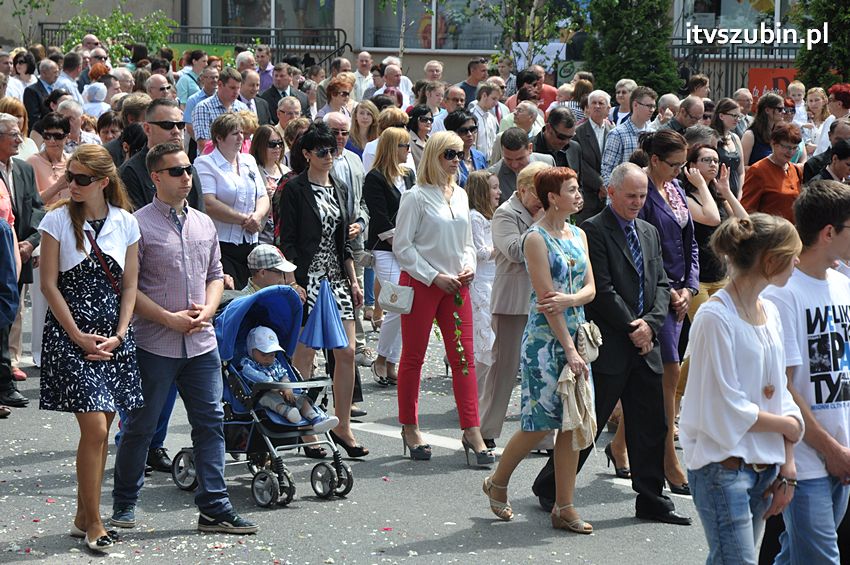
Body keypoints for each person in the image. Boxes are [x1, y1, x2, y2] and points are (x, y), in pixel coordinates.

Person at [533, 162, 692, 526]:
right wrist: (633, 327)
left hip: (645, 343)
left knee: (651, 424)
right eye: (631, 196)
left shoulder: (648, 231)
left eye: (642, 196)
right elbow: (601, 289)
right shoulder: (593, 229)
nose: (637, 202)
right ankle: (551, 486)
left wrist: (650, 325)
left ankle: (652, 498)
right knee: (590, 423)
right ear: (611, 192)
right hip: (611, 343)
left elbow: (661, 283)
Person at [111, 142, 258, 535]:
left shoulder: (204, 223)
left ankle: (215, 508)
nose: (186, 177)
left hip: (201, 343)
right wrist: (167, 319)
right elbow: (128, 287)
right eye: (176, 171)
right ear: (155, 177)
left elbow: (215, 274)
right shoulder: (137, 224)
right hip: (154, 343)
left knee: (210, 423)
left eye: (188, 169)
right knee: (140, 426)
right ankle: (124, 503)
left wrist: (209, 310)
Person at [679, 211, 808, 563]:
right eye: (792, 255)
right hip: (723, 468)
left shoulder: (771, 312)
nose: (797, 262)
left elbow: (780, 392)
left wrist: (788, 465)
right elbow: (723, 405)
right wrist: (788, 426)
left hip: (764, 467)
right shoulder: (714, 318)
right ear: (770, 261)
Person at [38, 144, 144, 551]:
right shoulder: (56, 220)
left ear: (103, 182)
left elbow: (130, 285)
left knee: (103, 430)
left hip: (114, 337)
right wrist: (78, 335)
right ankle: (95, 523)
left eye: (81, 178)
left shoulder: (126, 222)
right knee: (96, 428)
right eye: (70, 177)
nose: (72, 184)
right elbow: (49, 285)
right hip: (71, 335)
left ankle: (84, 515)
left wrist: (121, 333)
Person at [484, 166, 595, 533]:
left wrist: (571, 300)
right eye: (571, 190)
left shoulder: (578, 233)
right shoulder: (535, 238)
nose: (578, 195)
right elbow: (547, 302)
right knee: (540, 422)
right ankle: (498, 481)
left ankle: (565, 507)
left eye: (578, 189)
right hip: (546, 341)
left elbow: (590, 288)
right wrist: (569, 348)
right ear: (552, 197)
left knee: (573, 422)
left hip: (577, 332)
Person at [762, 180, 850, 564]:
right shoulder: (781, 293)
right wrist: (830, 449)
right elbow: (782, 386)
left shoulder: (843, 285)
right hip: (806, 459)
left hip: (842, 452)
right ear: (828, 233)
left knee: (795, 556)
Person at [393, 131, 493, 465]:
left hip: (457, 285)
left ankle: (472, 429)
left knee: (464, 358)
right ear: (434, 155)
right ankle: (410, 426)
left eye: (460, 154)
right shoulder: (415, 197)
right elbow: (403, 247)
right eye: (449, 154)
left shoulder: (461, 195)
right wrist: (433, 275)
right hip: (423, 284)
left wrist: (469, 265)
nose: (456, 160)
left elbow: (467, 242)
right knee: (414, 357)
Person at [278, 122, 368, 458]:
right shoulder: (294, 189)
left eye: (333, 150)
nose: (329, 156)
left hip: (337, 278)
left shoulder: (339, 187)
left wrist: (354, 280)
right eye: (322, 151)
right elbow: (286, 241)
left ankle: (343, 426)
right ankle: (305, 428)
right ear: (306, 154)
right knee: (304, 356)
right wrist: (292, 283)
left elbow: (343, 243)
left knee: (346, 353)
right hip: (308, 279)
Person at [632, 130, 699, 496]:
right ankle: (668, 460)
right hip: (654, 296)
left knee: (657, 377)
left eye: (682, 164)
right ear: (654, 160)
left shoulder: (675, 189)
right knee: (668, 373)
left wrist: (690, 286)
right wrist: (670, 290)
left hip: (679, 294)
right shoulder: (640, 193)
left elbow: (691, 243)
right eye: (674, 164)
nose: (679, 171)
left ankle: (620, 446)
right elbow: (641, 250)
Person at [478, 162, 547, 448]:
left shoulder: (549, 212)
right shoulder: (505, 213)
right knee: (503, 368)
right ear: (523, 189)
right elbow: (515, 251)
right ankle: (485, 429)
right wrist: (543, 222)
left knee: (542, 369)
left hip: (544, 299)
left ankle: (544, 436)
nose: (544, 199)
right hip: (513, 300)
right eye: (539, 192)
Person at [363, 126, 416, 387]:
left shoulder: (408, 175)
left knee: (405, 305)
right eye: (405, 146)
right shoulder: (374, 177)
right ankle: (382, 358)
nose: (408, 151)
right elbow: (380, 217)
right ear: (393, 148)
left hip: (408, 246)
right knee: (397, 302)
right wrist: (402, 246)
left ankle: (391, 360)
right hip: (385, 247)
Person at [195, 112, 269, 288]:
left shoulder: (249, 160)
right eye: (235, 133)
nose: (241, 137)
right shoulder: (204, 163)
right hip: (222, 246)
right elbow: (209, 203)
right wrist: (244, 220)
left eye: (242, 132)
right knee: (231, 294)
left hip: (251, 243)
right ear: (219, 138)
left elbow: (263, 195)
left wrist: (257, 216)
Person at [0, 112, 43, 403]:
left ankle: (5, 380)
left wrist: (30, 243)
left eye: (19, 133)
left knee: (11, 314)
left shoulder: (25, 169)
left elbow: (37, 209)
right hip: (3, 253)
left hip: (19, 253)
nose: (19, 139)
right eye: (13, 134)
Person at [240, 325, 338, 430]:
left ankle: (315, 418)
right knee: (269, 399)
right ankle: (288, 412)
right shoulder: (248, 364)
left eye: (272, 355)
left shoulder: (275, 363)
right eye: (263, 355)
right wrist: (272, 384)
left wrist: (286, 386)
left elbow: (283, 374)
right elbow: (251, 374)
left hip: (282, 391)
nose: (268, 359)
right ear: (251, 350)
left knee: (300, 398)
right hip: (261, 395)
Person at [120, 98, 206, 212]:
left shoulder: (188, 167)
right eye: (167, 125)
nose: (176, 131)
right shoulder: (130, 171)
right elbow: (136, 218)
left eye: (180, 125)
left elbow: (199, 212)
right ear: (147, 129)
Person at [740, 122, 804, 222]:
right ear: (774, 144)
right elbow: (747, 210)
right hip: (769, 229)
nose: (791, 152)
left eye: (794, 148)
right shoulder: (758, 171)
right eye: (787, 147)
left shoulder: (795, 170)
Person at [601, 86, 657, 186]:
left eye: (654, 106)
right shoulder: (617, 134)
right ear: (635, 105)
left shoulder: (654, 134)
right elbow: (607, 171)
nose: (652, 110)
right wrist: (614, 193)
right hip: (625, 191)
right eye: (649, 106)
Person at [574, 90, 612, 222]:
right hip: (588, 195)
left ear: (608, 108)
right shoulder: (578, 132)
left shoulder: (613, 131)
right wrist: (600, 184)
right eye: (593, 103)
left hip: (609, 195)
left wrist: (607, 186)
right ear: (588, 108)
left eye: (601, 103)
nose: (597, 106)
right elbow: (579, 162)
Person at [489, 127, 555, 202]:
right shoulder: (493, 175)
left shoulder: (548, 162)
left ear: (530, 148)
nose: (514, 165)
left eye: (520, 159)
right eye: (508, 159)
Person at [192, 67, 248, 153]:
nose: (236, 92)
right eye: (232, 88)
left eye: (238, 88)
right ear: (220, 84)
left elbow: (248, 140)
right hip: (212, 160)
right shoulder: (203, 107)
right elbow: (203, 144)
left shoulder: (242, 107)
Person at [250, 124, 289, 244]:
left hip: (283, 236)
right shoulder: (251, 171)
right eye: (272, 144)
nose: (277, 147)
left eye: (280, 143)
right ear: (260, 145)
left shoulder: (287, 172)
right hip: (259, 236)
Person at [709, 97, 746, 196]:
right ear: (721, 116)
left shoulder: (735, 138)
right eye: (734, 115)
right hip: (717, 193)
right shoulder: (712, 138)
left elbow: (741, 172)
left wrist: (740, 193)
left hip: (735, 193)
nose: (737, 120)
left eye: (738, 116)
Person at [444, 109, 487, 188]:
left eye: (473, 129)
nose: (469, 134)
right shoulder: (447, 159)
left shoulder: (480, 156)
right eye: (463, 131)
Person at [742, 92, 784, 166]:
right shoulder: (750, 135)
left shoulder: (778, 133)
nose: (783, 112)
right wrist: (764, 170)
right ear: (767, 110)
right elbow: (743, 167)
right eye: (779, 109)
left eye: (783, 109)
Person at [406, 104, 432, 169]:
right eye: (424, 119)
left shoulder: (432, 141)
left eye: (431, 119)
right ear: (415, 120)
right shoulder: (407, 140)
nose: (428, 122)